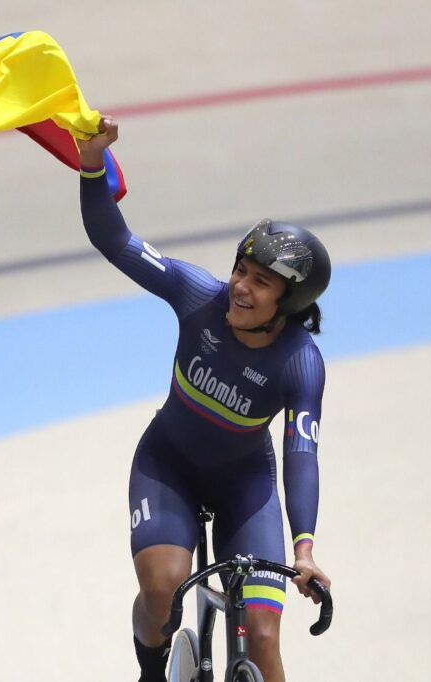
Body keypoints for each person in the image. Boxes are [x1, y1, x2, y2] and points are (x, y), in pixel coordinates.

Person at [77, 117, 331, 682]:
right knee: (162, 591)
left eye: (262, 282)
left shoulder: (299, 363)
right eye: (241, 269)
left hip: (246, 485)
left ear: (288, 302)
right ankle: (152, 671)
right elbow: (113, 239)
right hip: (168, 467)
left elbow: (301, 455)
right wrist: (92, 163)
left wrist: (305, 549)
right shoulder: (196, 294)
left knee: (264, 638)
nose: (241, 286)